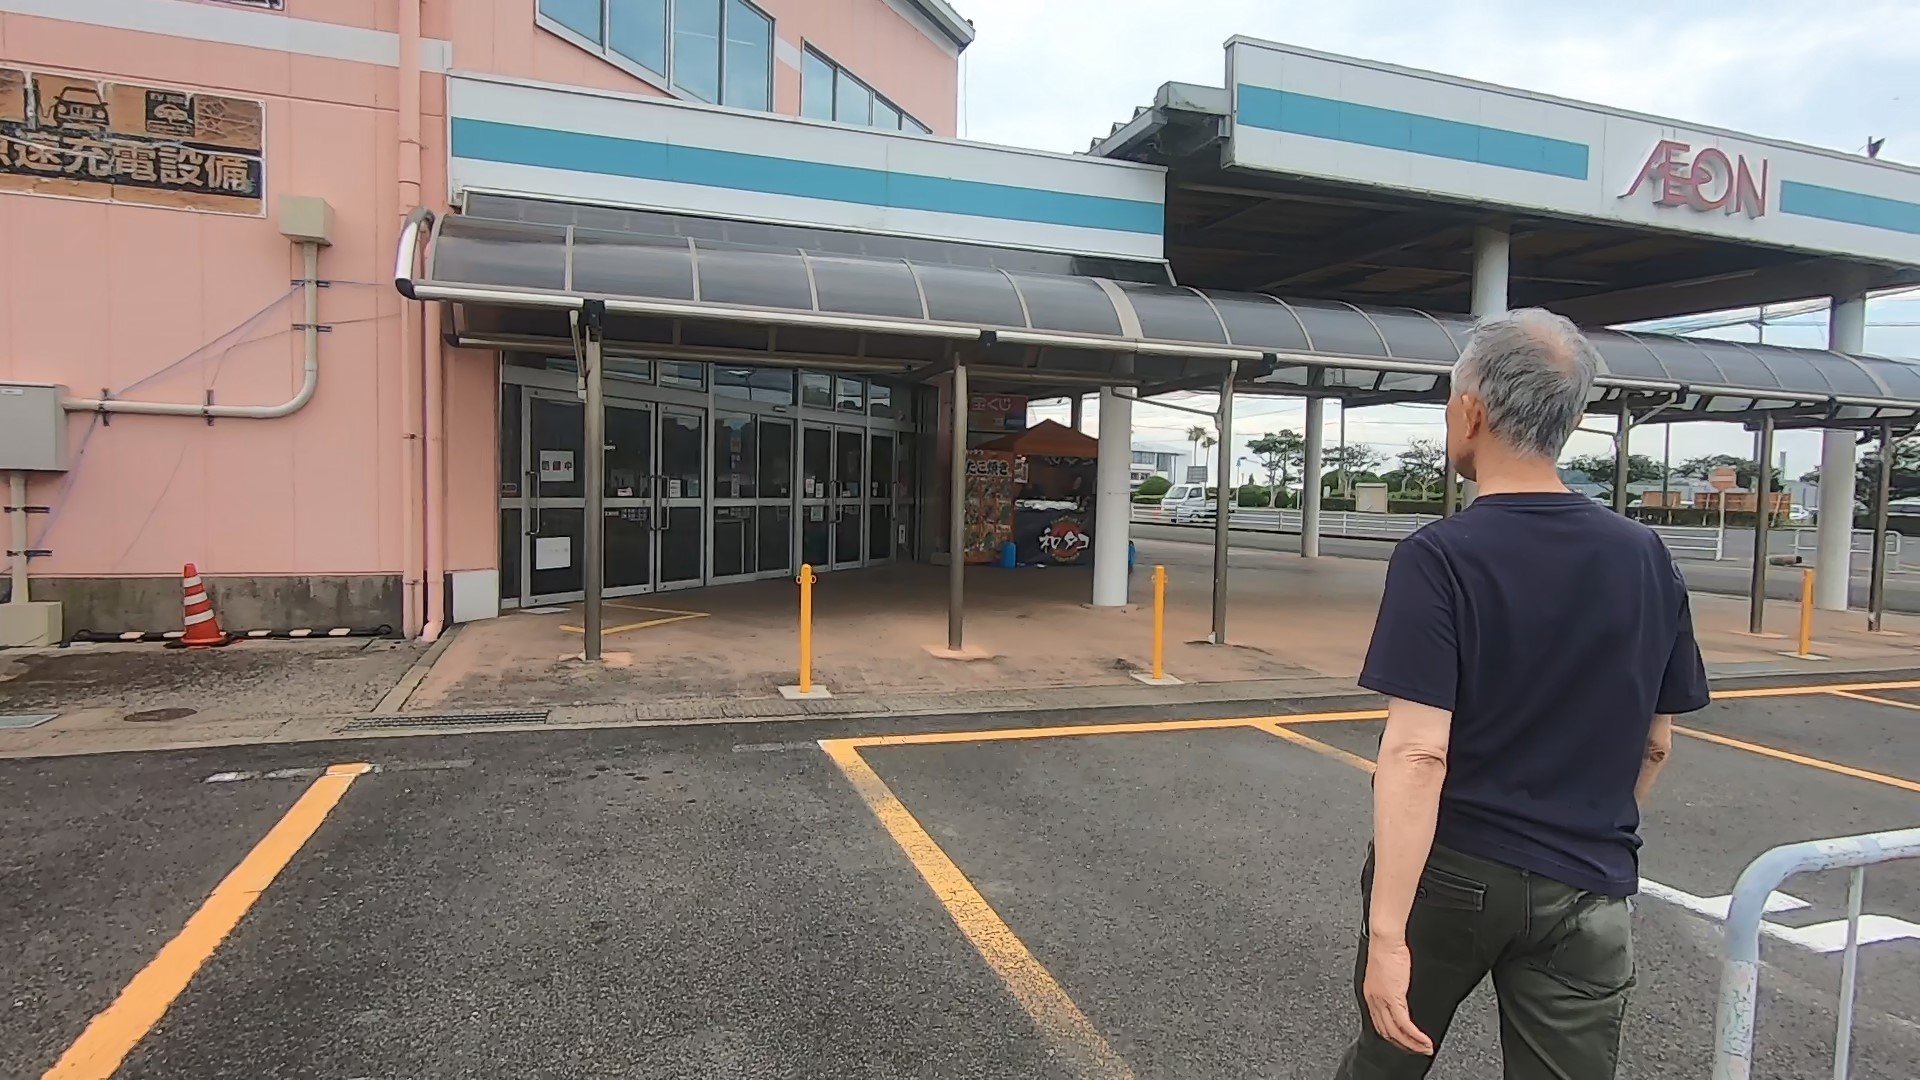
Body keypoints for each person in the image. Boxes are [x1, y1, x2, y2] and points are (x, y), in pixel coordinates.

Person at [1333, 309, 1711, 1080]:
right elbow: (1655, 742)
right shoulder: (1647, 557)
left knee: (1388, 1061)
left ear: (1471, 412)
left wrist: (1388, 936)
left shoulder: (1441, 556)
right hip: (1588, 884)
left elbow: (1417, 753)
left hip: (1454, 873)